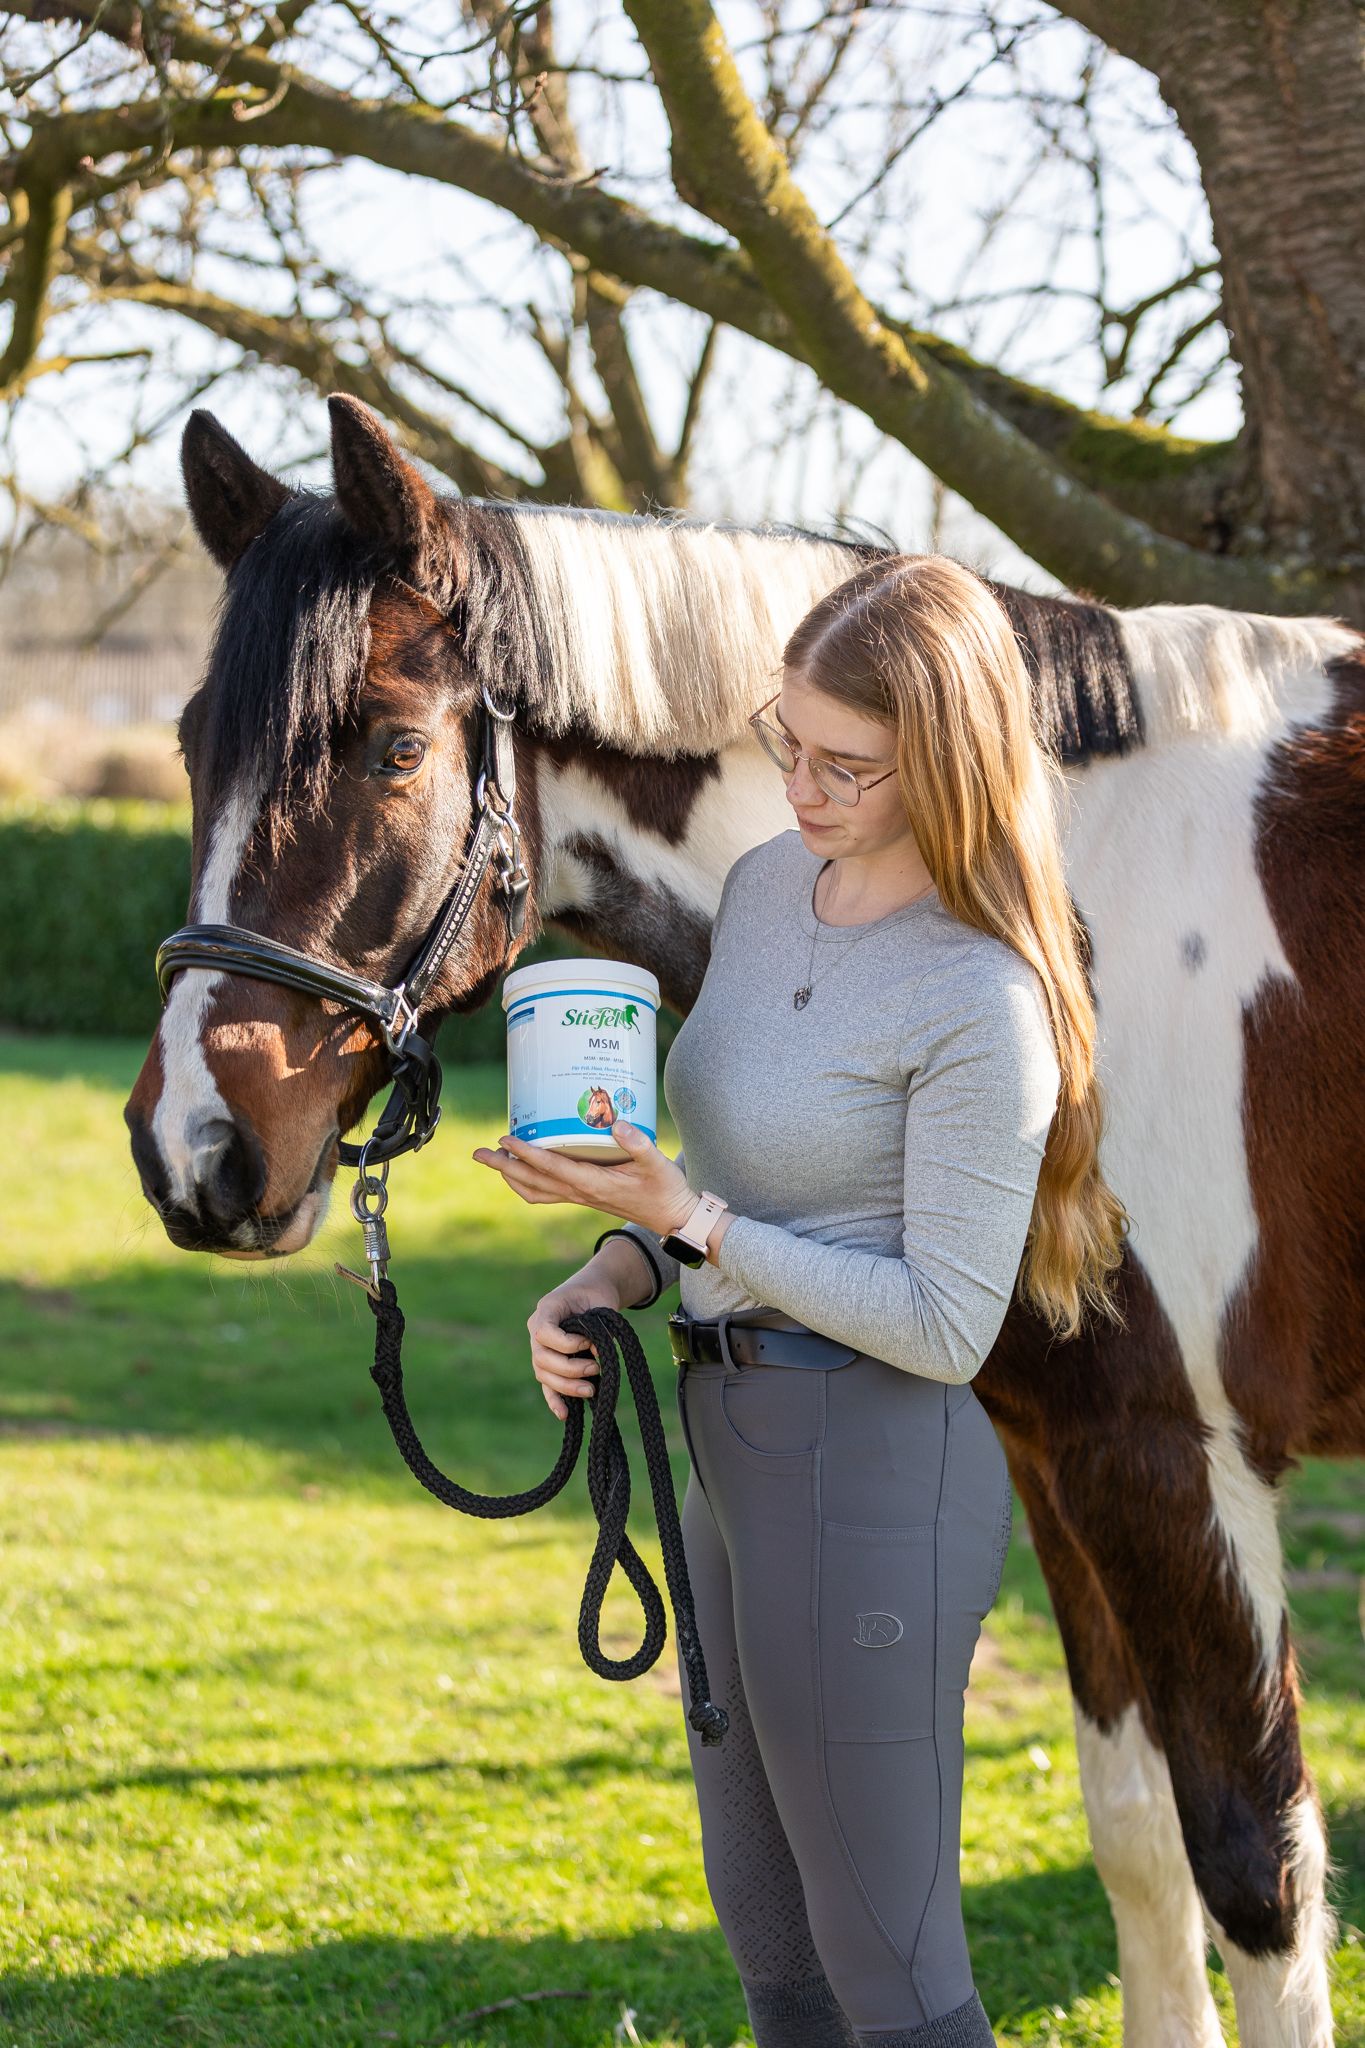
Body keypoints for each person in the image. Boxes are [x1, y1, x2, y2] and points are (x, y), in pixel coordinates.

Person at [473, 552, 1129, 2048]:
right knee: (773, 1943)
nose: (803, 789)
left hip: (875, 1463)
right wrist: (614, 1265)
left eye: (849, 765)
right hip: (732, 1448)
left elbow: (944, 1323)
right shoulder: (771, 887)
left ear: (949, 765)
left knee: (888, 1969)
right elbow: (735, 1173)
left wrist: (686, 1220)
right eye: (787, 744)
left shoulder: (979, 993)